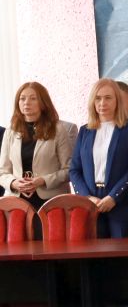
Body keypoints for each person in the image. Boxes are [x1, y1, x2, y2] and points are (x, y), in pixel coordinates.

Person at [69, 78, 128, 238]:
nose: (102, 103)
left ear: (117, 100)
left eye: (108, 98)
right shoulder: (85, 131)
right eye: (98, 98)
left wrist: (113, 197)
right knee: (95, 253)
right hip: (91, 205)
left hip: (123, 205)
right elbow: (74, 170)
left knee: (122, 253)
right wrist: (87, 197)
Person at [0, 82, 77, 237]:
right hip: (17, 203)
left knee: (50, 246)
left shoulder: (58, 130)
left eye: (33, 98)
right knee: (18, 248)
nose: (26, 103)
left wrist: (42, 180)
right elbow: (3, 172)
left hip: (50, 201)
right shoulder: (11, 131)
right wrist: (14, 183)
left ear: (43, 102)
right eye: (22, 99)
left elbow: (69, 170)